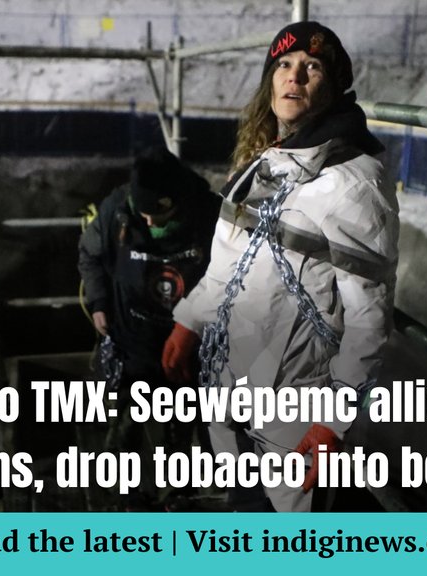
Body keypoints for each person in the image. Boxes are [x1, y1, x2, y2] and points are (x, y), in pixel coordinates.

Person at [161, 21, 399, 512]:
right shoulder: (267, 161)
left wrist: (335, 418)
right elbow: (228, 268)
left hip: (293, 410)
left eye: (312, 68)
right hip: (234, 388)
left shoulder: (352, 182)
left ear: (332, 89)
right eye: (285, 65)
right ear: (270, 79)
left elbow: (369, 318)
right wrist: (189, 318)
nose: (295, 77)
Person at [77, 145, 221, 509]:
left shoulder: (210, 215)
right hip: (134, 339)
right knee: (127, 424)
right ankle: (123, 499)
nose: (151, 223)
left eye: (159, 214)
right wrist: (99, 303)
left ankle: (177, 495)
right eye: (143, 215)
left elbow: (233, 275)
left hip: (190, 345)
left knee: (182, 421)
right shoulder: (117, 212)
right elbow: (90, 254)